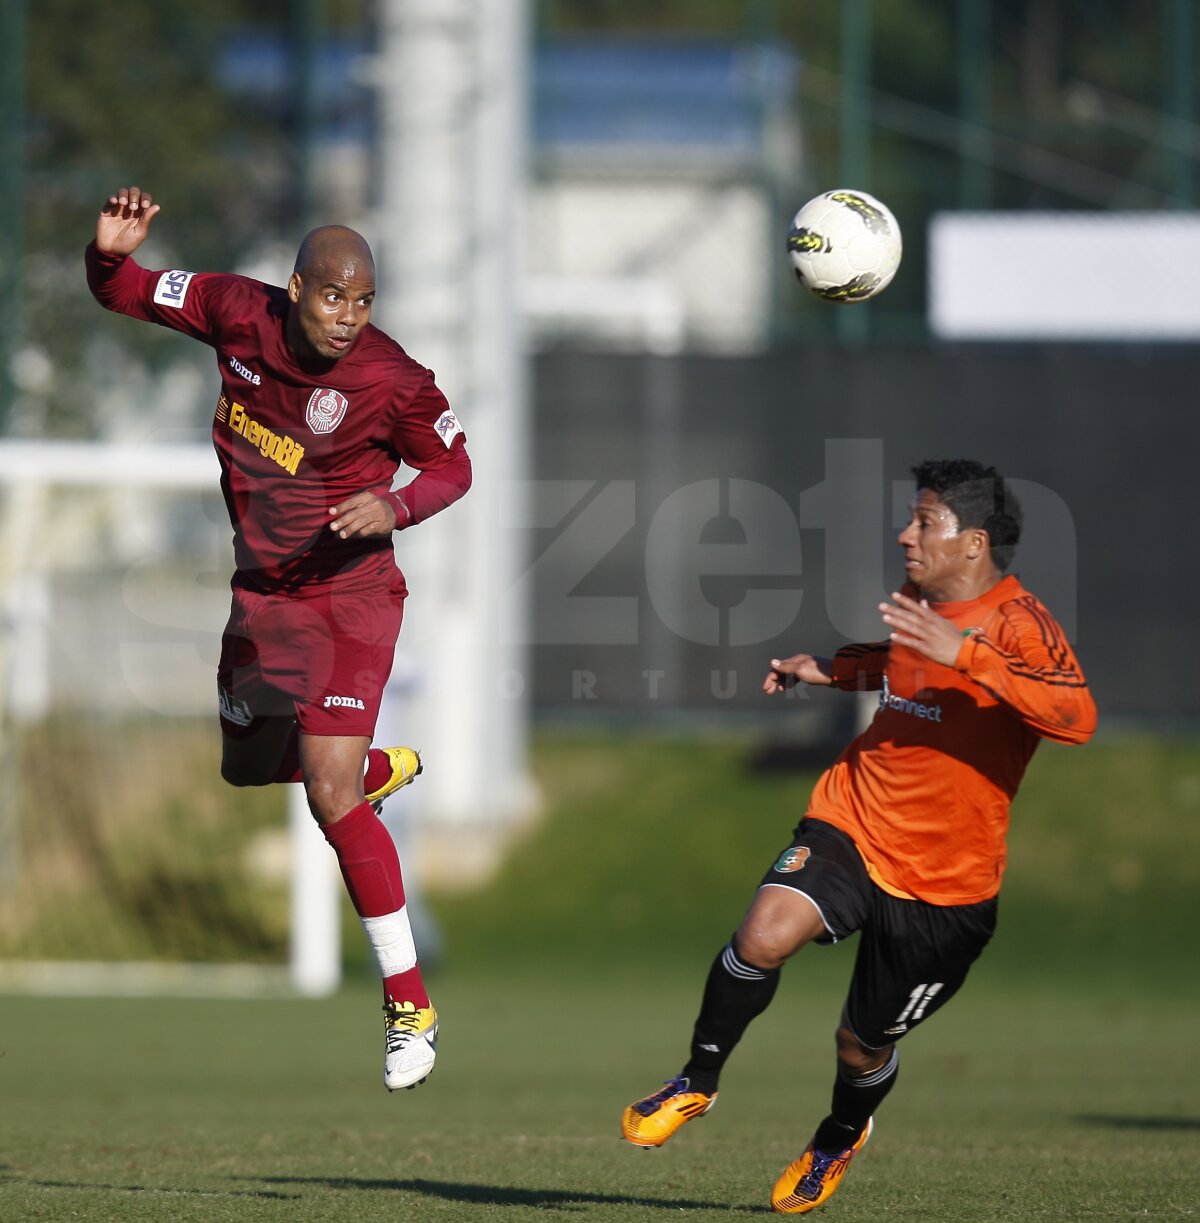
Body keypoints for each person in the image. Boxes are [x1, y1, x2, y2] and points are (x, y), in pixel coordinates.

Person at [620, 459, 1096, 1214]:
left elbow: (1077, 715)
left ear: (973, 542)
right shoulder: (919, 598)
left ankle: (840, 1133)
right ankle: (697, 1079)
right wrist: (830, 670)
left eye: (925, 522)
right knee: (763, 934)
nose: (906, 535)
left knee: (859, 1044)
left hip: (947, 885)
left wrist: (966, 654)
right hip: (855, 815)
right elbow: (900, 664)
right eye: (910, 518)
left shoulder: (1018, 623)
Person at [86, 186, 472, 1092]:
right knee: (251, 764)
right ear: (295, 288)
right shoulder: (234, 309)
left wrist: (398, 503)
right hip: (262, 600)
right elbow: (125, 292)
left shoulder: (392, 378)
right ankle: (372, 770)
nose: (349, 316)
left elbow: (455, 462)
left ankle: (408, 1002)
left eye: (365, 300)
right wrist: (109, 256)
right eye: (334, 295)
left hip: (352, 597)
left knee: (328, 799)